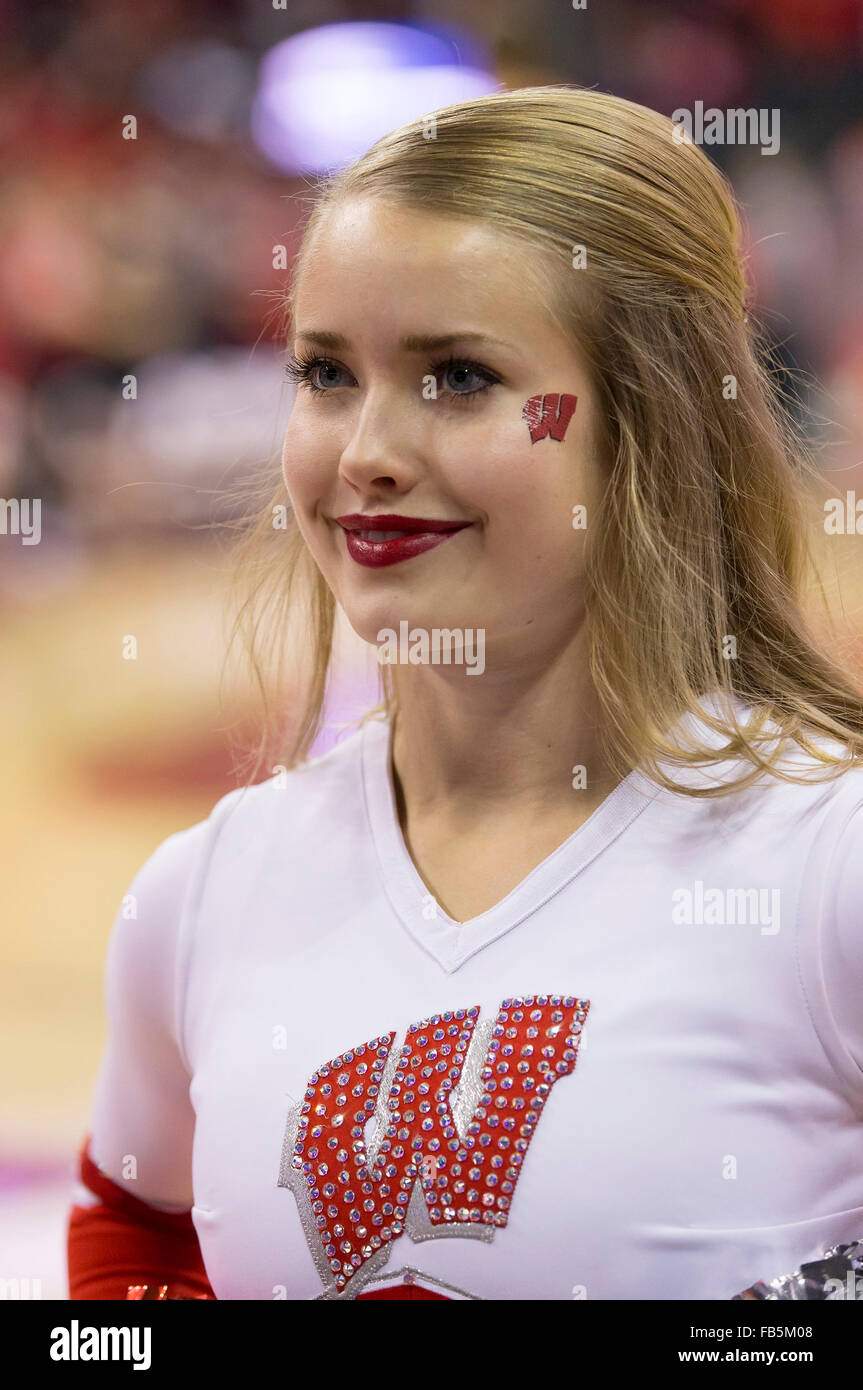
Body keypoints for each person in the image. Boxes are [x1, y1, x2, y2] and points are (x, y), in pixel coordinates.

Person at [67, 85, 863, 1302]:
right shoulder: (204, 893)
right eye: (326, 372)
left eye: (457, 378)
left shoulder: (825, 864)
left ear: (647, 421)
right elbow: (134, 1234)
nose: (364, 451)